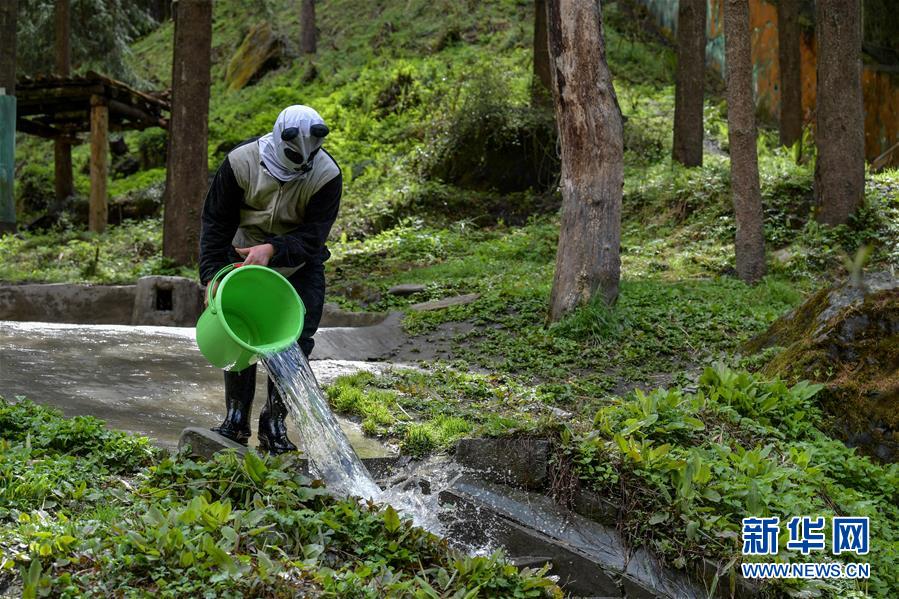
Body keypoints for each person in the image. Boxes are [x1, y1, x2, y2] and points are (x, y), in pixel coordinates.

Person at [198, 105, 342, 454]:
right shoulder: (240, 163)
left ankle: (274, 422)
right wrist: (212, 276)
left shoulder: (326, 175)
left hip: (300, 265)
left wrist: (274, 249)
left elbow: (314, 236)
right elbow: (216, 223)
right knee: (240, 334)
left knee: (297, 341)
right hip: (241, 258)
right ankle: (235, 418)